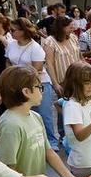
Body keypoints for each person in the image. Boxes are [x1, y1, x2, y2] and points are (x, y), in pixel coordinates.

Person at [0, 66, 82, 177]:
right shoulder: (10, 125)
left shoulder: (35, 116)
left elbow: (48, 152)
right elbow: (9, 169)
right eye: (39, 87)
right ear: (26, 92)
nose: (42, 91)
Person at [5, 18, 59, 151]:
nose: (10, 32)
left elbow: (37, 69)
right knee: (25, 112)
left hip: (39, 82)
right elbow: (8, 61)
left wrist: (19, 75)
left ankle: (51, 141)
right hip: (19, 83)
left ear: (23, 31)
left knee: (43, 112)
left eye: (13, 30)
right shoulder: (11, 44)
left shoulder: (35, 47)